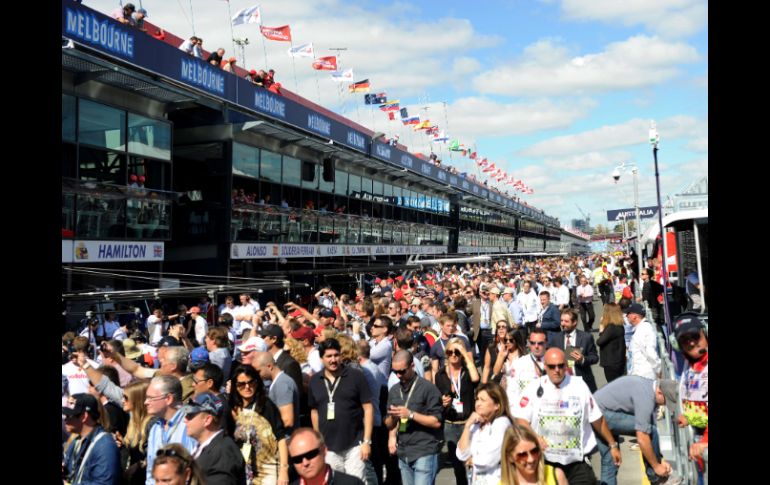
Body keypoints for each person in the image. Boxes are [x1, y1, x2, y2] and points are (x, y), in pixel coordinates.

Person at [513, 348, 621, 485]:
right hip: (546, 462)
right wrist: (535, 437)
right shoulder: (534, 388)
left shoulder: (579, 386)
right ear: (545, 366)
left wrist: (612, 445)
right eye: (552, 366)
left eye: (560, 365)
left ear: (566, 365)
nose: (556, 370)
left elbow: (597, 419)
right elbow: (520, 419)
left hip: (576, 462)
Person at [594, 376, 682, 485]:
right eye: (665, 401)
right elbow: (643, 437)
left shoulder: (649, 387)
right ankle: (657, 478)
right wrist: (656, 466)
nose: (664, 405)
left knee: (610, 460)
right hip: (601, 413)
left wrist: (660, 459)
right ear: (659, 392)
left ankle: (657, 475)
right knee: (650, 430)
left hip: (596, 410)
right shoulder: (646, 396)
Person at [308, 339, 373, 483]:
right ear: (321, 358)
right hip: (329, 447)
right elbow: (314, 412)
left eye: (336, 355)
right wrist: (318, 441)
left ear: (341, 356)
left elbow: (368, 408)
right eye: (329, 356)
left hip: (355, 445)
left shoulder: (356, 376)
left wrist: (367, 441)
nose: (333, 360)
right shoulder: (315, 381)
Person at [385, 350, 444, 485]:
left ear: (412, 366)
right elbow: (389, 424)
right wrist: (393, 421)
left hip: (424, 450)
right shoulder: (394, 390)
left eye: (402, 371)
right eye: (395, 372)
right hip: (404, 451)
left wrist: (410, 415)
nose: (399, 375)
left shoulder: (428, 389)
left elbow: (436, 422)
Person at [229, 365, 290, 484]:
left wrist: (284, 471)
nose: (247, 387)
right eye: (241, 384)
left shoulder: (266, 406)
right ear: (235, 387)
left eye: (251, 382)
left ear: (257, 383)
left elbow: (281, 438)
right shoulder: (232, 408)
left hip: (268, 469)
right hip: (242, 471)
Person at [435, 338, 480, 485]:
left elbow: (476, 378)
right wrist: (442, 401)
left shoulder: (467, 371)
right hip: (450, 425)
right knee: (457, 468)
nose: (453, 355)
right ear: (446, 354)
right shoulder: (440, 375)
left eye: (457, 352)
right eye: (450, 352)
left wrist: (466, 355)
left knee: (472, 463)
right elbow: (438, 398)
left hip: (467, 424)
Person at [181, 392, 246, 485]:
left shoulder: (223, 452)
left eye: (190, 415)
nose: (185, 420)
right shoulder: (206, 447)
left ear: (207, 420)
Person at [456, 383, 513, 485]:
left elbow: (488, 459)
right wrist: (467, 426)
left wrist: (471, 461)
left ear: (497, 405)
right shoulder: (476, 424)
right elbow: (461, 454)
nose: (478, 403)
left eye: (483, 400)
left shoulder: (502, 423)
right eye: (477, 399)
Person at [145, 375, 198, 485]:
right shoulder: (155, 428)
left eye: (151, 398)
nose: (146, 402)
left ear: (168, 399)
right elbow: (151, 473)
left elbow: (195, 470)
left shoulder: (190, 425)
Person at [672, 313, 708, 469]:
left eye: (695, 336)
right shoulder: (689, 366)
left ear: (704, 333)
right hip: (697, 442)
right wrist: (689, 417)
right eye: (685, 340)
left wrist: (706, 441)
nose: (692, 342)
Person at [63, 393, 122, 484]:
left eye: (68, 416)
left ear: (84, 417)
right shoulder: (77, 441)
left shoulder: (105, 446)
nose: (65, 419)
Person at [287, 428, 364, 485]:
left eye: (311, 454)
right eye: (297, 459)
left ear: (324, 450)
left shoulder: (352, 483)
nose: (305, 463)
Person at [547, 308, 599, 392]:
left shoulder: (586, 337)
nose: (562, 324)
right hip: (562, 382)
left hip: (581, 380)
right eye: (562, 320)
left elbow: (594, 357)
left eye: (566, 321)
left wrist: (583, 359)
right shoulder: (556, 338)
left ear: (574, 322)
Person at [499, 424, 568, 485]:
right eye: (523, 455)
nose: (531, 459)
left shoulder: (555, 476)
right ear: (510, 457)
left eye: (534, 451)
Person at [120, 380, 155, 485]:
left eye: (126, 398)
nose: (122, 401)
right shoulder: (133, 422)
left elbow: (152, 458)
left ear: (137, 400)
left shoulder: (152, 424)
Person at [624, 303, 660, 380]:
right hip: (637, 376)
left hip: (643, 376)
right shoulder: (640, 329)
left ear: (635, 316)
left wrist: (659, 370)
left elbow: (651, 353)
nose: (626, 316)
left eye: (628, 314)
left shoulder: (645, 329)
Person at [596, 303, 627, 383]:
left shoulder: (611, 327)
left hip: (611, 362)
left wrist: (601, 328)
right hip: (618, 360)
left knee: (613, 385)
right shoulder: (619, 325)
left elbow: (600, 341)